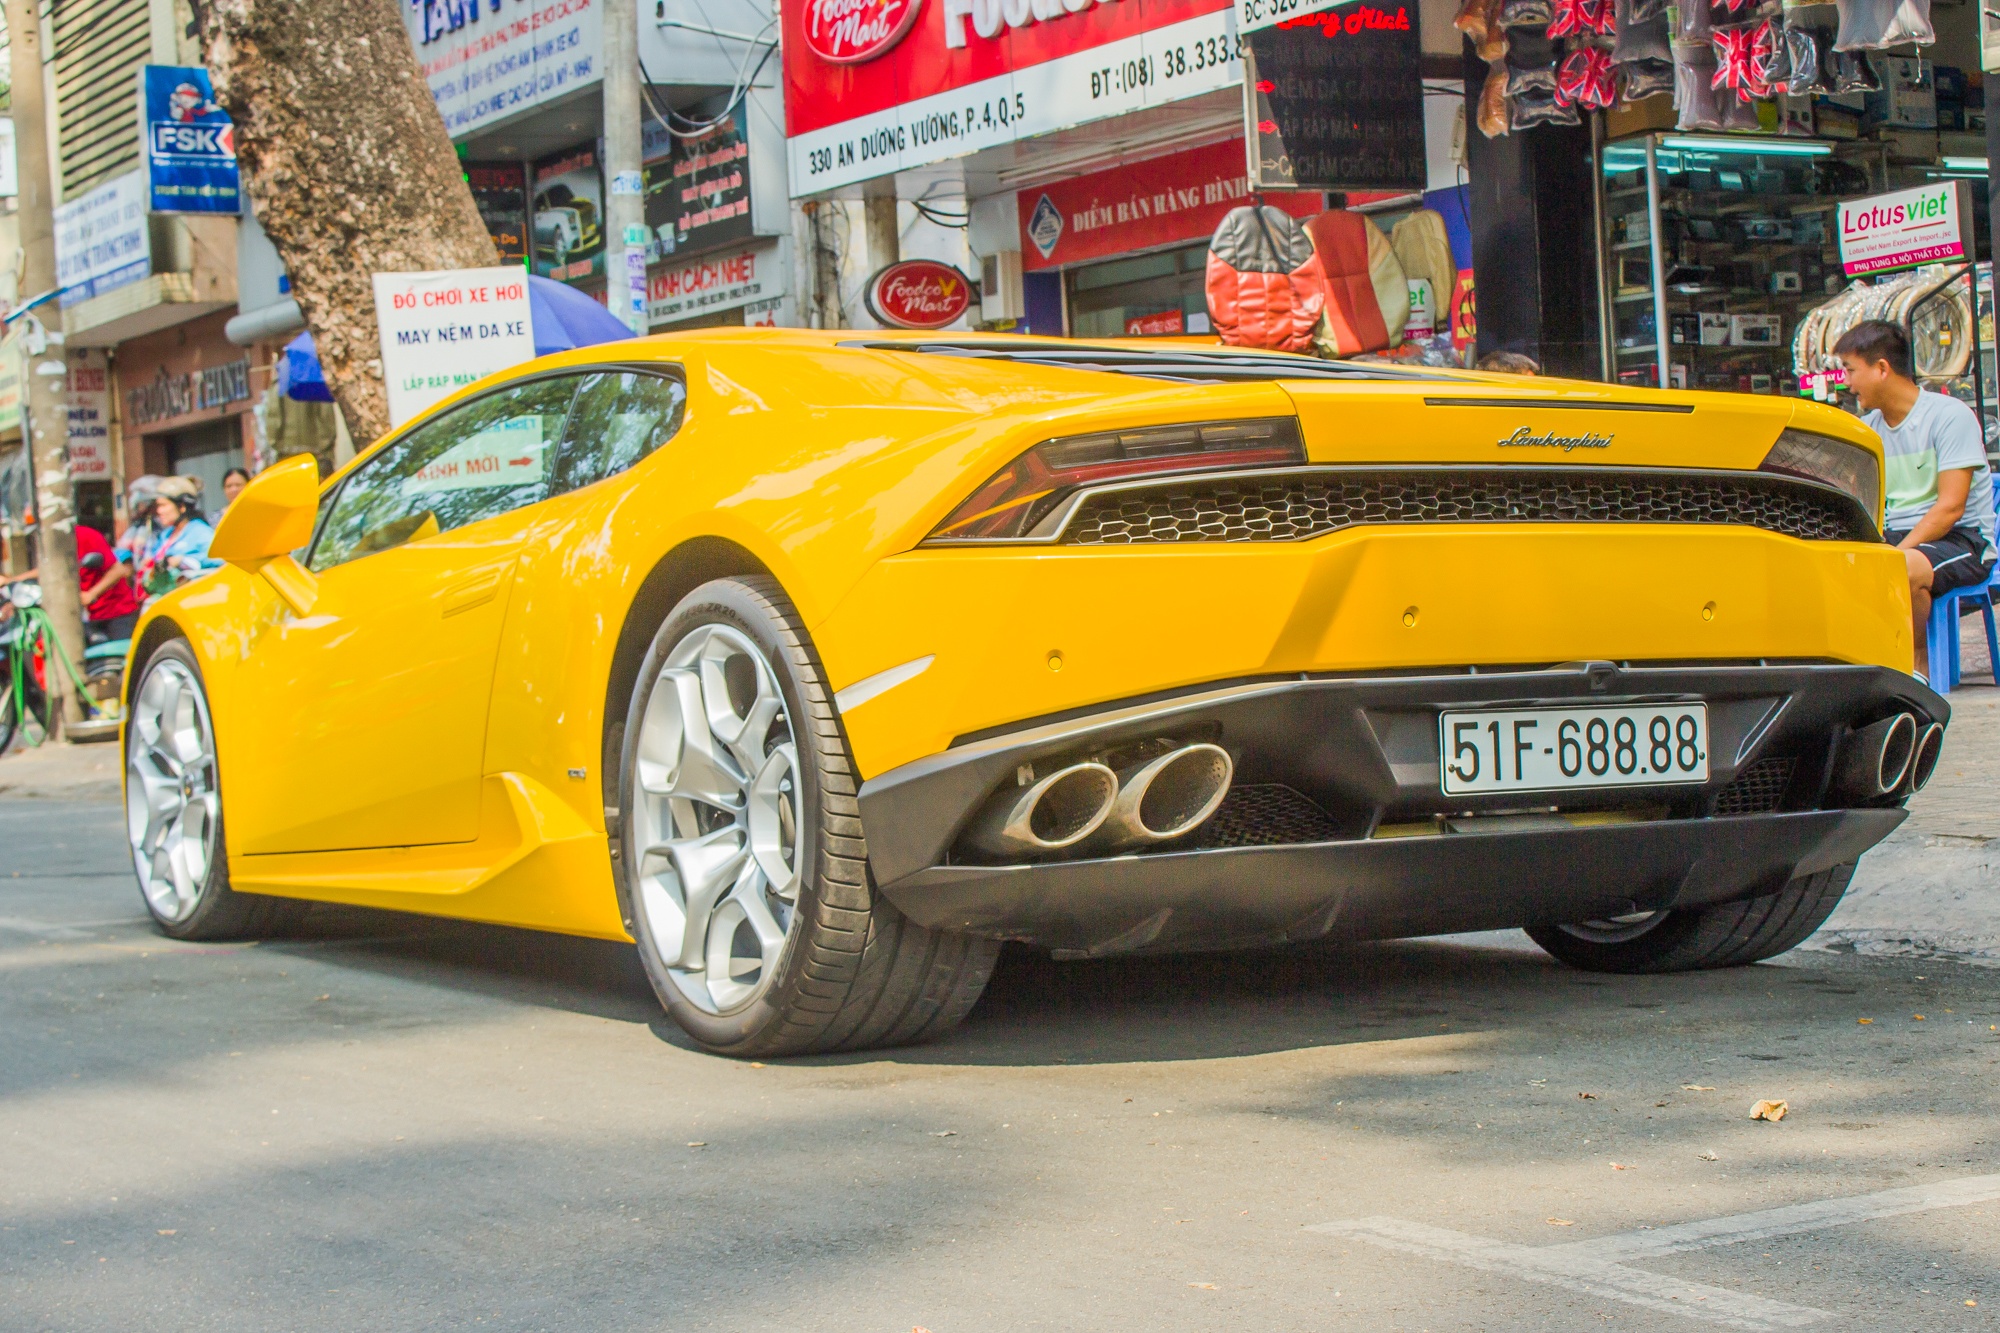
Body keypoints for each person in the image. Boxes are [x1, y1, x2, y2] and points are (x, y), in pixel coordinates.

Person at [1834, 319, 1997, 683]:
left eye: (1850, 370)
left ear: (1881, 369)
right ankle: (1877, 669)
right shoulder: (1868, 429)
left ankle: (1913, 665)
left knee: (1902, 567)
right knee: (1835, 565)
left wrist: (1892, 554)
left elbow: (1950, 508)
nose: (1846, 382)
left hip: (1963, 538)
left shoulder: (1949, 417)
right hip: (1899, 539)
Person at [0, 522, 145, 644]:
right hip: (84, 617)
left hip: (116, 612)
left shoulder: (85, 536)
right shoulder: (54, 546)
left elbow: (118, 570)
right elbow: (48, 570)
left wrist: (92, 594)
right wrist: (12, 581)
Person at [134, 477, 220, 599]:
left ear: (181, 506)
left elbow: (220, 559)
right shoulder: (166, 535)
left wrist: (184, 561)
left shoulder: (200, 531)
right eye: (158, 506)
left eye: (163, 505)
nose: (159, 511)